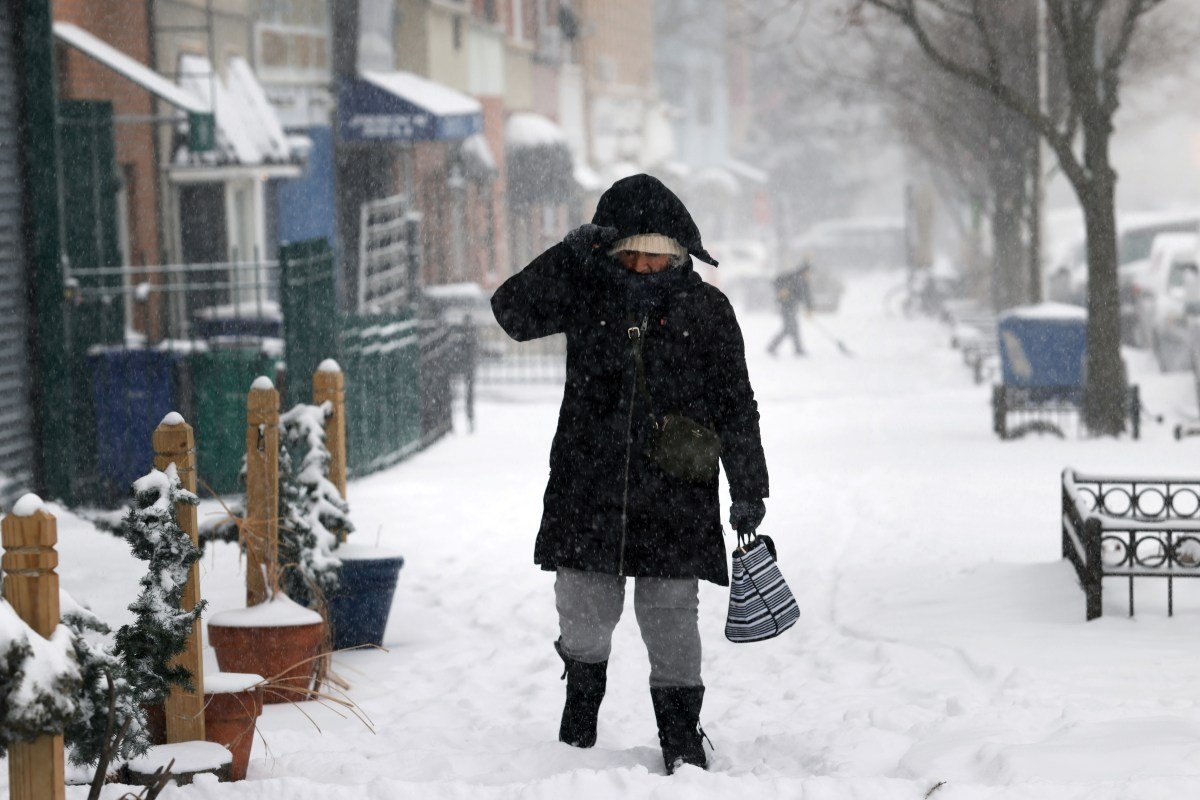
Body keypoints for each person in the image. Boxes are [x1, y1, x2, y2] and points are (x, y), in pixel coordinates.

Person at [491, 174, 769, 775]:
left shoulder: (707, 309)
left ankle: (681, 739)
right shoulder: (585, 293)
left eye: (658, 254)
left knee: (671, 617)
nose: (644, 266)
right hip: (588, 485)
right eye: (631, 253)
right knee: (583, 615)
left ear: (680, 253)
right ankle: (577, 727)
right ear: (610, 251)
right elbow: (511, 312)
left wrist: (750, 489)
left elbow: (736, 405)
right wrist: (570, 252)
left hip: (676, 493)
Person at [767, 260, 814, 356]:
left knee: (793, 327)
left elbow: (807, 296)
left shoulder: (804, 281)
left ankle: (797, 349)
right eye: (808, 272)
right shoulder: (792, 276)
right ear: (804, 271)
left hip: (793, 307)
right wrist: (781, 290)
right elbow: (776, 281)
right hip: (785, 306)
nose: (809, 275)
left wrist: (809, 309)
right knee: (789, 328)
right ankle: (772, 347)